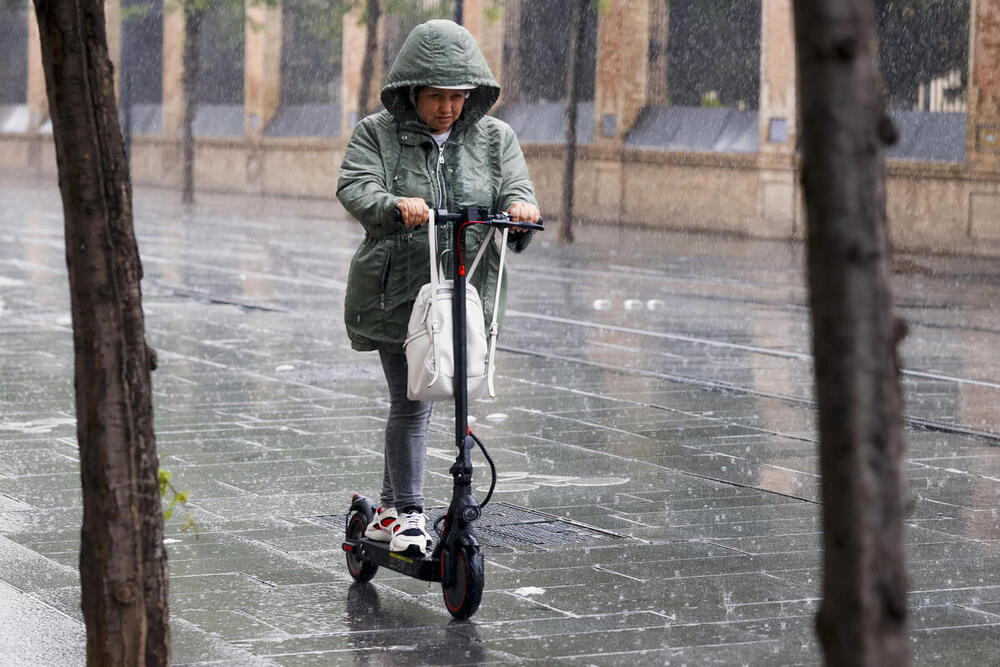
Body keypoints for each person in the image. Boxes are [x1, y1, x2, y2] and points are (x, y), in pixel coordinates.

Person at [337, 19, 540, 557]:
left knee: (427, 400)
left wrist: (520, 209)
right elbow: (355, 185)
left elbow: (516, 188)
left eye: (457, 96)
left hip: (465, 295)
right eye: (435, 97)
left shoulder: (496, 140)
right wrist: (392, 206)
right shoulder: (376, 133)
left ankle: (385, 510)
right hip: (397, 297)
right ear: (411, 92)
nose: (447, 108)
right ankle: (407, 512)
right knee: (413, 402)